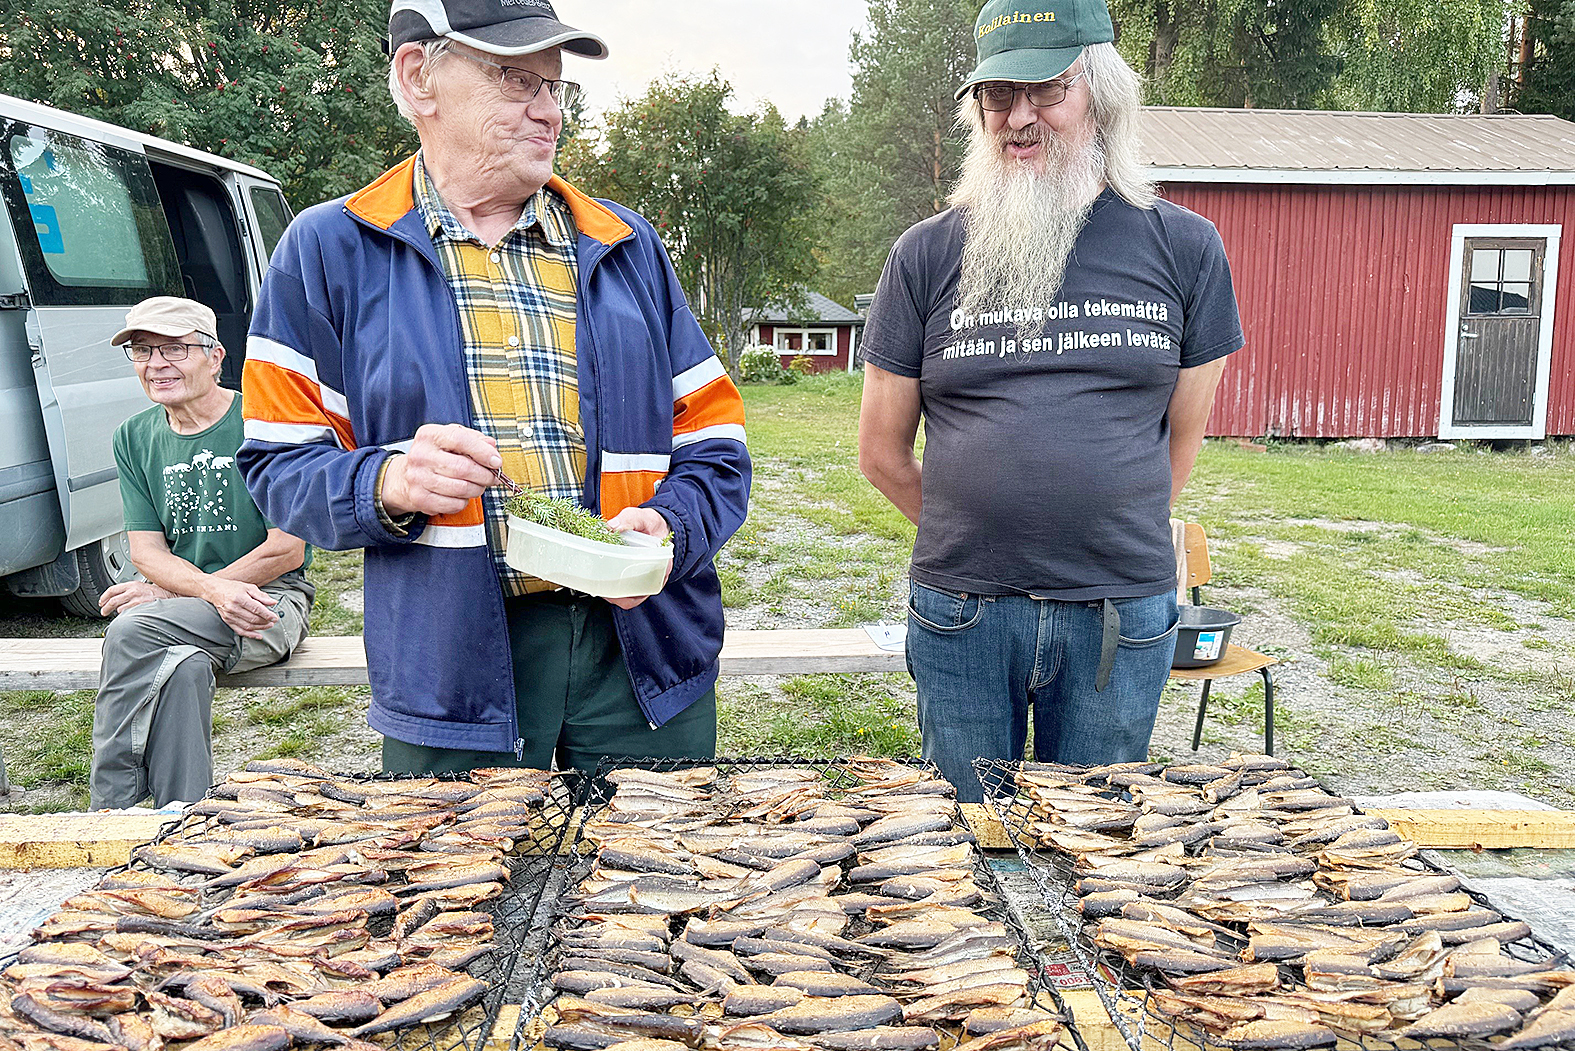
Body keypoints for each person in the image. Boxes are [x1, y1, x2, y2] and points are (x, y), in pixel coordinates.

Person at [238, 0, 749, 775]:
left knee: (654, 884)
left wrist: (669, 529)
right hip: (452, 666)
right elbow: (277, 466)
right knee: (462, 891)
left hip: (643, 650)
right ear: (418, 78)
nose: (551, 113)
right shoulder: (327, 248)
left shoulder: (625, 243)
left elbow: (717, 444)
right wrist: (390, 479)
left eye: (555, 88)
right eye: (518, 81)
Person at [857, 0, 1244, 800]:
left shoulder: (1185, 247)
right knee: (961, 851)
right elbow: (881, 452)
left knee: (1096, 849)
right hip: (960, 611)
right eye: (997, 95)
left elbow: (1182, 437)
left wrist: (1098, 525)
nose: (1019, 118)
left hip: (1119, 613)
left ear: (1100, 93)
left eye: (1046, 90)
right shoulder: (924, 255)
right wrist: (978, 530)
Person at [92, 297, 313, 809]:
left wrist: (178, 594)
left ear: (215, 357)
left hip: (269, 603)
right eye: (143, 351)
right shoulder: (135, 436)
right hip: (193, 610)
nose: (156, 365)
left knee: (130, 630)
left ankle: (112, 807)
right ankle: (182, 820)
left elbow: (284, 549)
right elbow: (146, 550)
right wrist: (204, 591)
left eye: (174, 349)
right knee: (184, 666)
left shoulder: (262, 422)